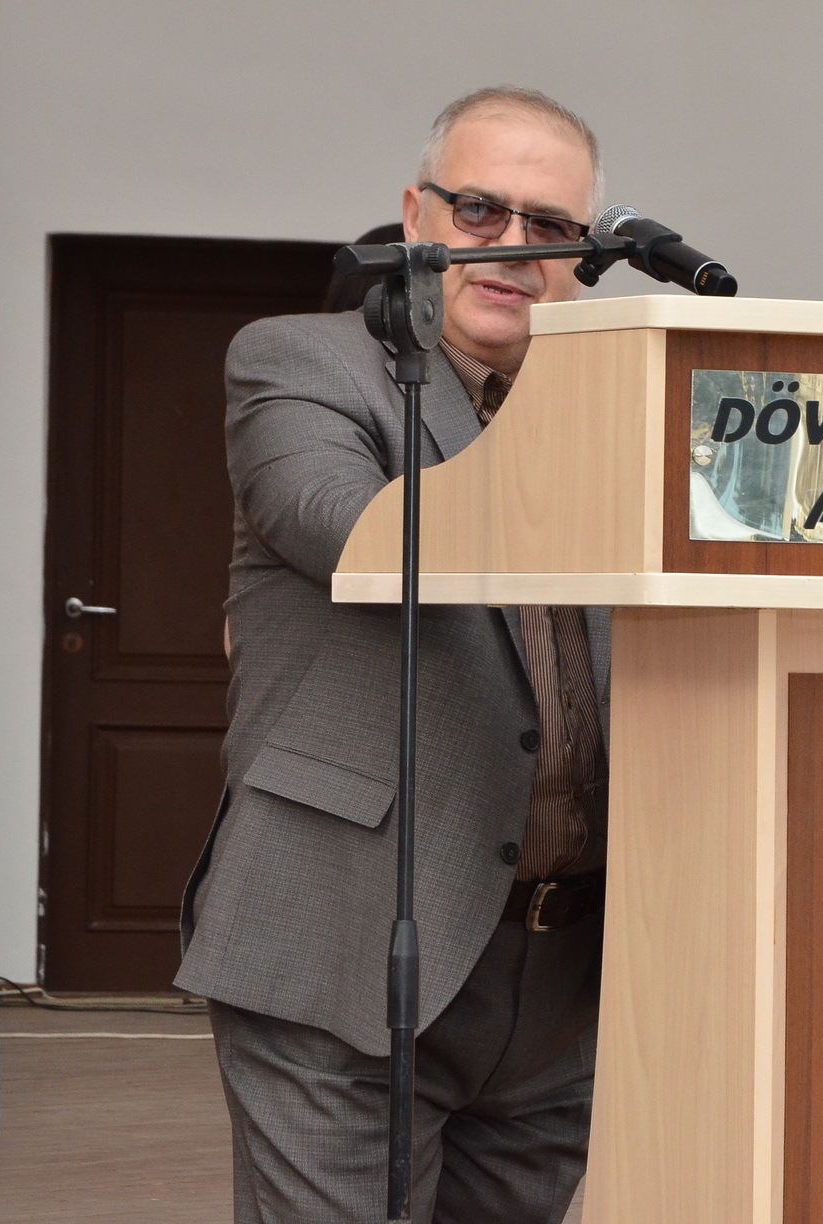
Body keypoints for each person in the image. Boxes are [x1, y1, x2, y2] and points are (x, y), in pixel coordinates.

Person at [177, 86, 610, 1224]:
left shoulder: (614, 404)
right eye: (480, 211)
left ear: (585, 256)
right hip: (349, 941)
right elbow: (340, 524)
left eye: (549, 226)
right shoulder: (303, 362)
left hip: (562, 971)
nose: (511, 247)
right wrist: (563, 440)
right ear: (417, 216)